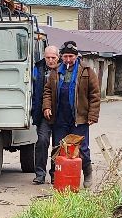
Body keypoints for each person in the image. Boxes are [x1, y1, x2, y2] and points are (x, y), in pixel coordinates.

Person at [42, 39, 101, 183]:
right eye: (65, 56)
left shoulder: (86, 71)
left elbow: (95, 94)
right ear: (61, 57)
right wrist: (47, 106)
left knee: (82, 149)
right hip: (60, 118)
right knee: (58, 148)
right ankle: (56, 175)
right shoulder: (55, 72)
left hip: (79, 118)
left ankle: (87, 173)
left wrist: (92, 115)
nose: (68, 59)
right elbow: (48, 91)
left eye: (71, 56)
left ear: (76, 56)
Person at [31, 43, 61, 184]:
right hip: (43, 114)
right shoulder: (38, 68)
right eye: (48, 57)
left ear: (58, 57)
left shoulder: (64, 69)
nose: (50, 60)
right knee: (42, 141)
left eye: (53, 57)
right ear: (44, 57)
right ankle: (40, 174)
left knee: (58, 144)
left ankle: (55, 173)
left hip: (61, 114)